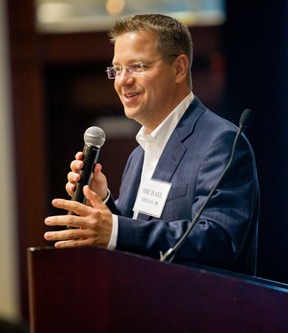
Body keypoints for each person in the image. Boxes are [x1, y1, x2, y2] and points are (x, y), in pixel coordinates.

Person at [44, 14, 260, 275]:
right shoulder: (139, 155)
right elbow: (136, 233)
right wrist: (103, 203)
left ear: (179, 68)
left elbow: (219, 239)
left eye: (138, 66)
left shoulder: (221, 142)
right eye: (118, 69)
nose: (123, 81)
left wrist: (115, 230)